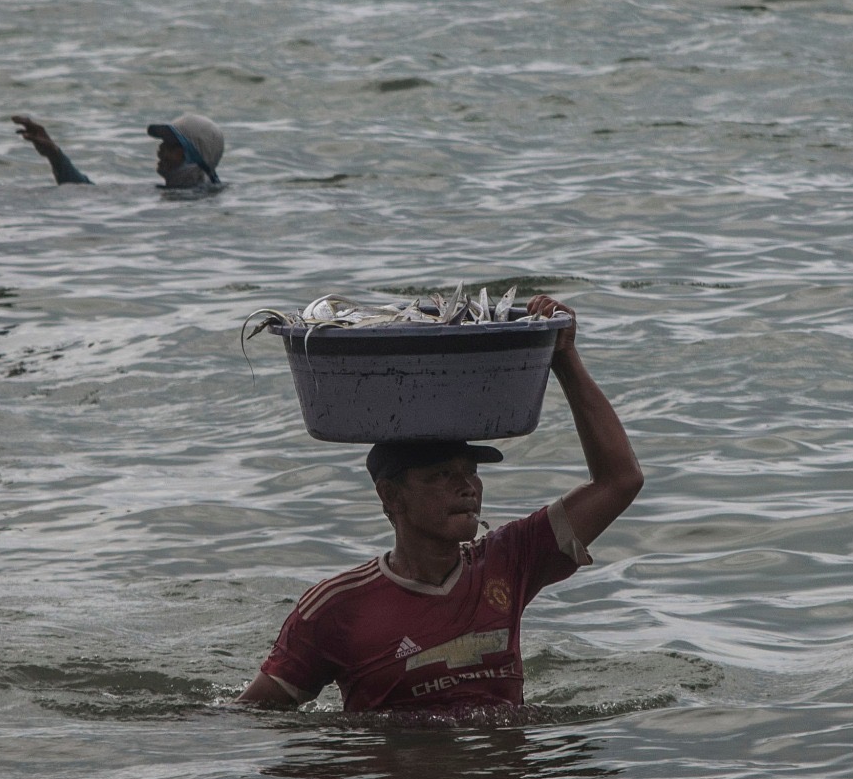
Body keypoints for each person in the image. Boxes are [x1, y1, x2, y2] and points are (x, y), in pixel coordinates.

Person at [238, 295, 642, 714]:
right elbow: (253, 715)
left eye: (470, 472)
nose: (467, 487)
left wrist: (564, 358)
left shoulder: (510, 561)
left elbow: (620, 479)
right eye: (441, 476)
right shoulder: (336, 608)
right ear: (391, 497)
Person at [10, 114, 224, 189]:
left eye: (170, 145)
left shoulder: (194, 202)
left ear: (194, 156)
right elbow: (88, 194)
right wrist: (54, 154)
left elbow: (89, 198)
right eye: (162, 142)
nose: (160, 150)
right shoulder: (167, 195)